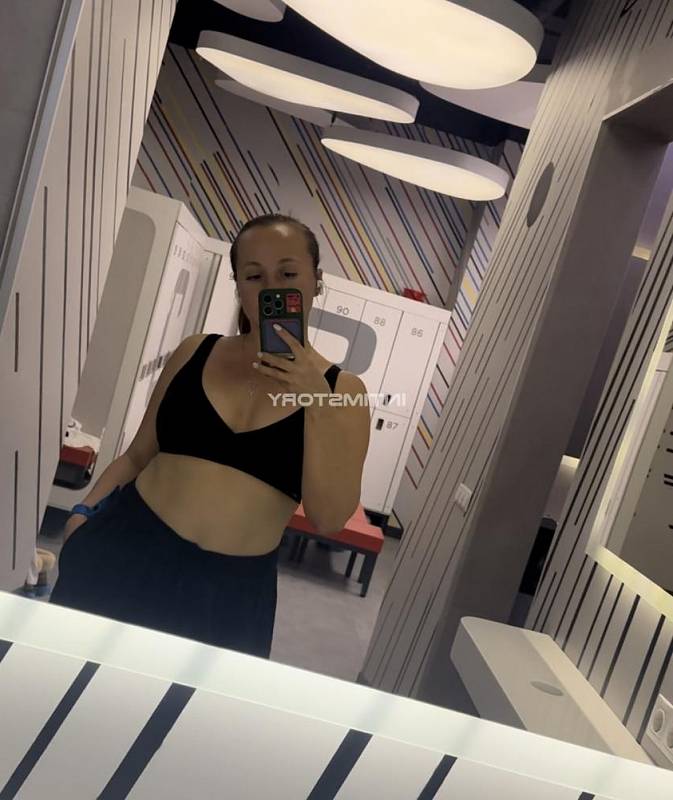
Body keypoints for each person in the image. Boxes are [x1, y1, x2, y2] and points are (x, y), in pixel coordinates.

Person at [50, 214, 371, 658]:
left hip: (229, 594)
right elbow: (137, 455)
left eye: (288, 274)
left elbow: (329, 517)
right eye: (254, 276)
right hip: (122, 549)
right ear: (238, 286)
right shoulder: (195, 351)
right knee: (61, 681)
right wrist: (82, 514)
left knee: (177, 704)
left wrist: (316, 401)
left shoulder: (344, 392)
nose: (271, 289)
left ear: (317, 282)